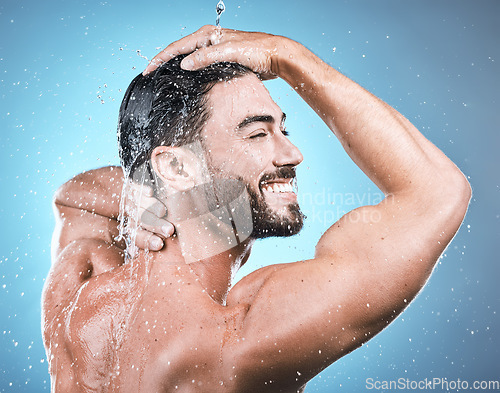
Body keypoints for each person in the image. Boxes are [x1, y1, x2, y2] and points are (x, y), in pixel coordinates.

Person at [42, 26, 471, 392]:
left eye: (282, 129)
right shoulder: (239, 337)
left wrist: (148, 196)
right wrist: (288, 56)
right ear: (175, 165)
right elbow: (436, 193)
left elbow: (73, 195)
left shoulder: (81, 291)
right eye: (257, 135)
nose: (293, 153)